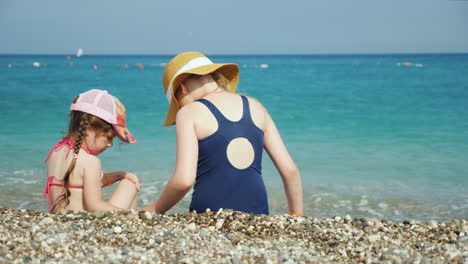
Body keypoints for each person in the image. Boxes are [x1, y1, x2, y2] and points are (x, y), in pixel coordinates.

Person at [143, 51, 303, 216]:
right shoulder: (256, 106)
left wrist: (154, 210)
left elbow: (184, 180)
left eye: (177, 103)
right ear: (213, 76)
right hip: (258, 214)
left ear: (182, 88)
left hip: (209, 214)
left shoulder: (189, 113)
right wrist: (296, 217)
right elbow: (290, 171)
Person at [43, 89, 140, 213]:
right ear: (88, 129)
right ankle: (131, 223)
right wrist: (128, 214)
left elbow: (83, 184)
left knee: (128, 179)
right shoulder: (91, 161)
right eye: (109, 137)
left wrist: (119, 175)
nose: (110, 144)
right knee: (130, 184)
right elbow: (94, 207)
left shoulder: (57, 151)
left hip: (62, 220)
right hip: (85, 224)